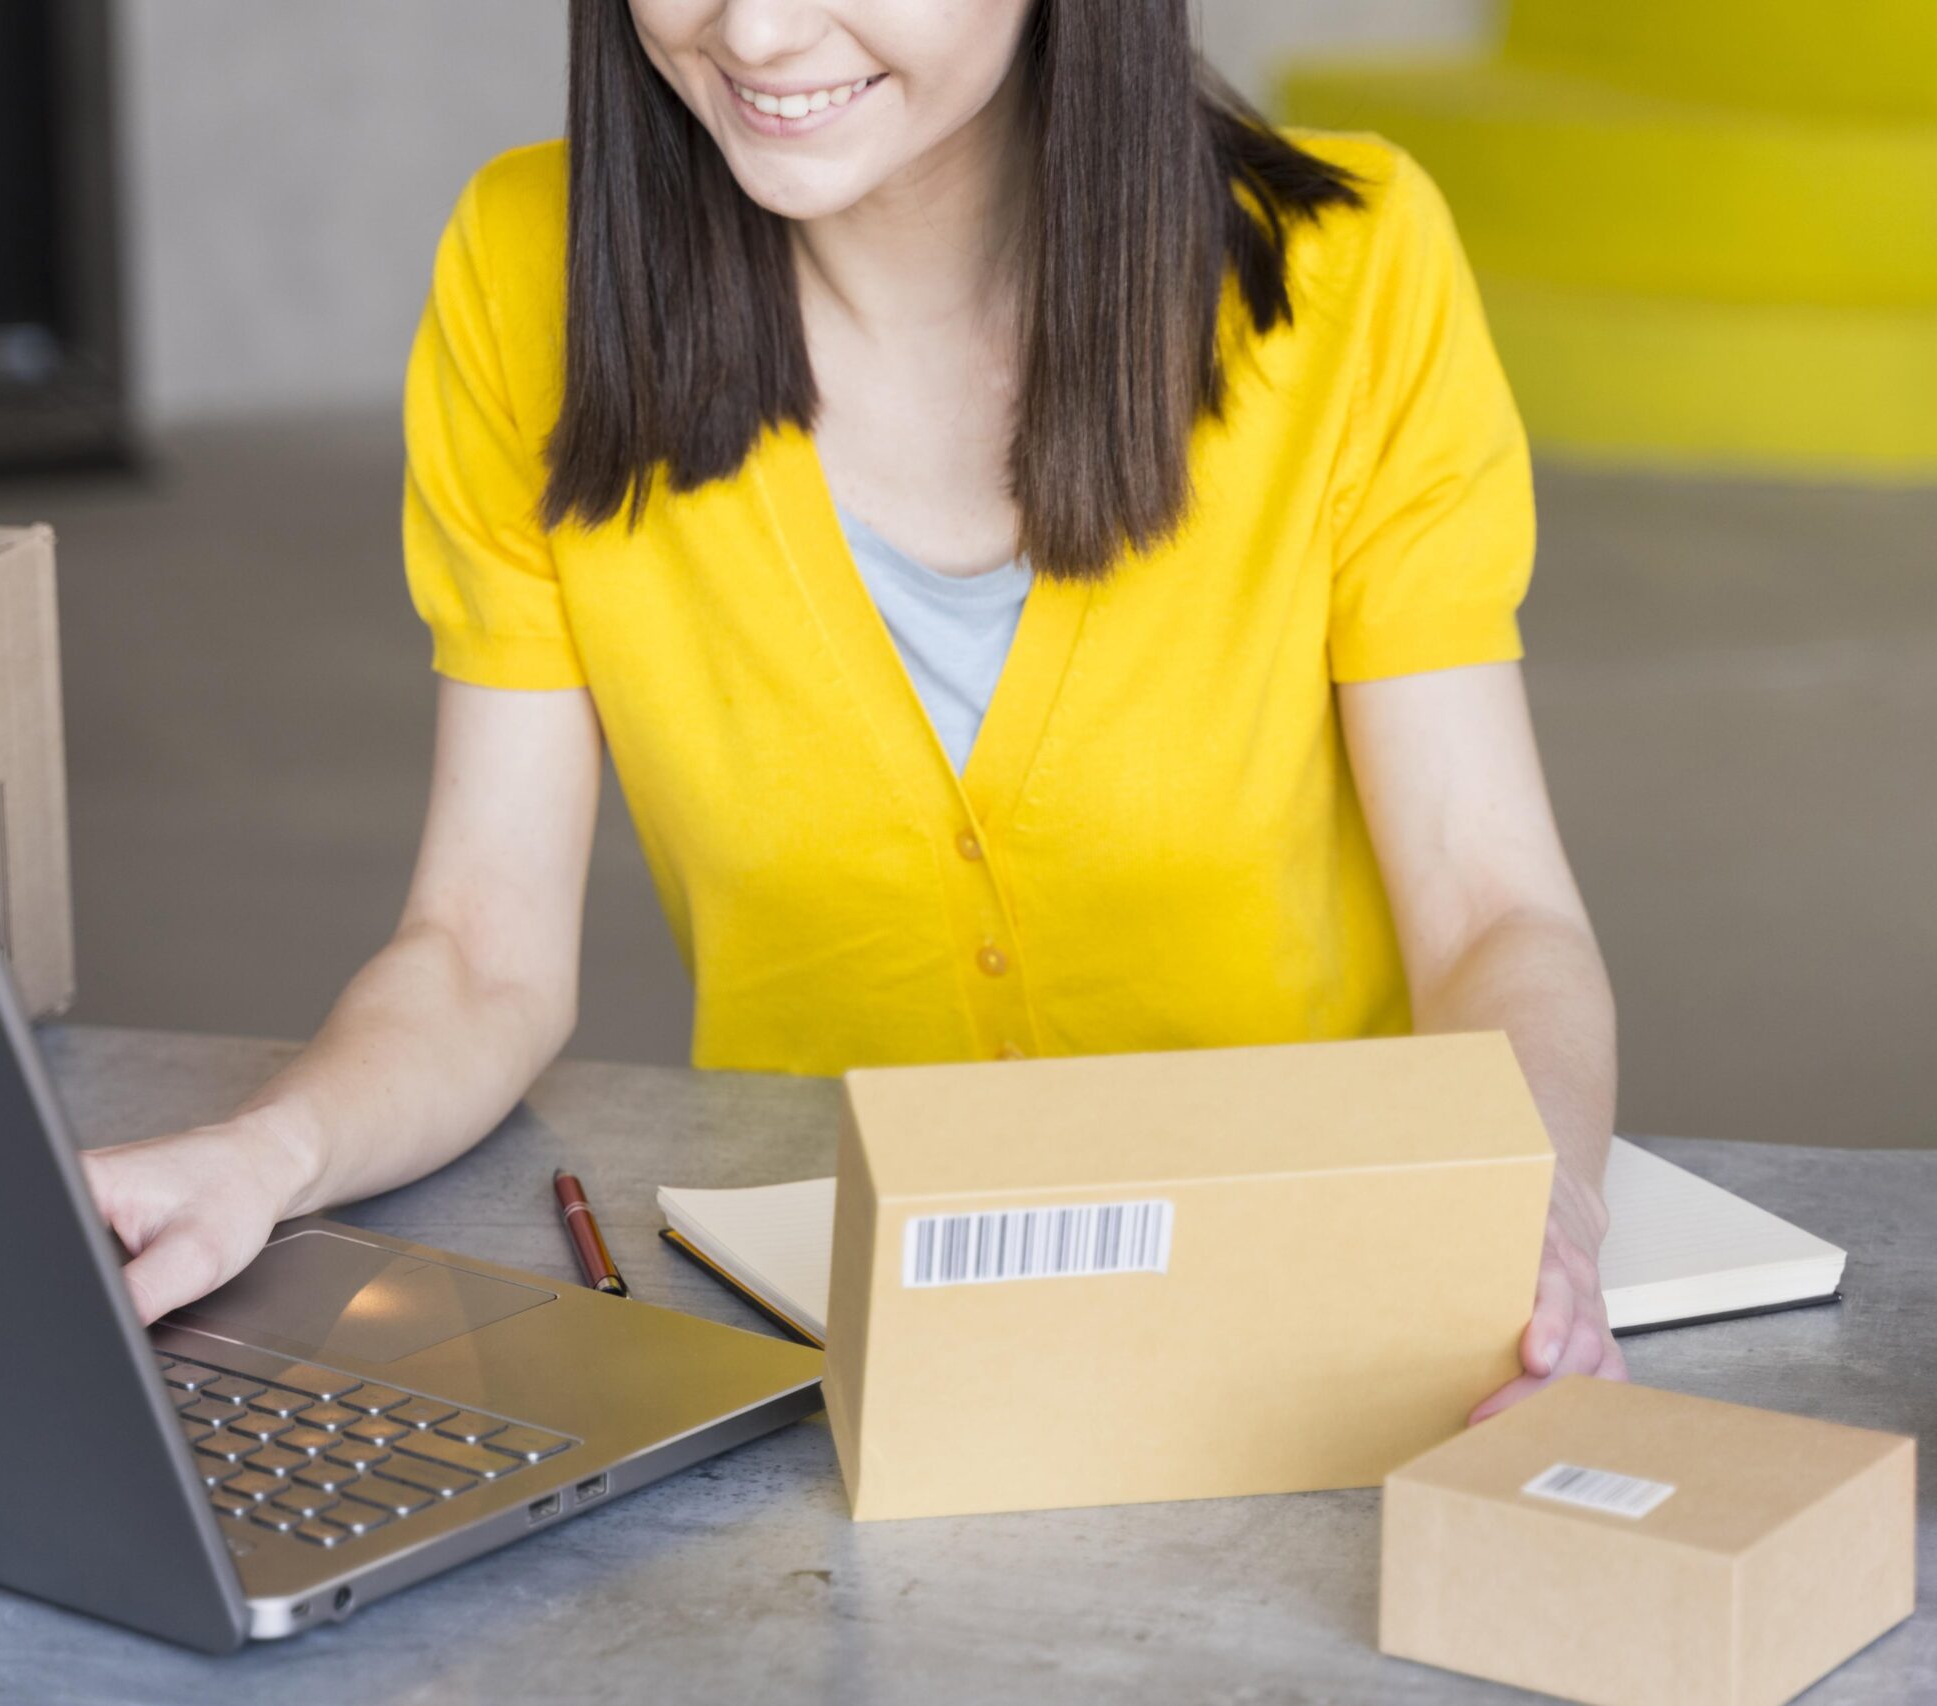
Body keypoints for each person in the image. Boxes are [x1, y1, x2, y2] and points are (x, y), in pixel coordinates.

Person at [85, 0, 1625, 1421]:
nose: (751, 31)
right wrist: (262, 1156)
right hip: (847, 1360)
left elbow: (1493, 913)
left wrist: (1529, 1232)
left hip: (1313, 1329)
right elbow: (481, 952)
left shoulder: (1350, 276)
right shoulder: (528, 276)